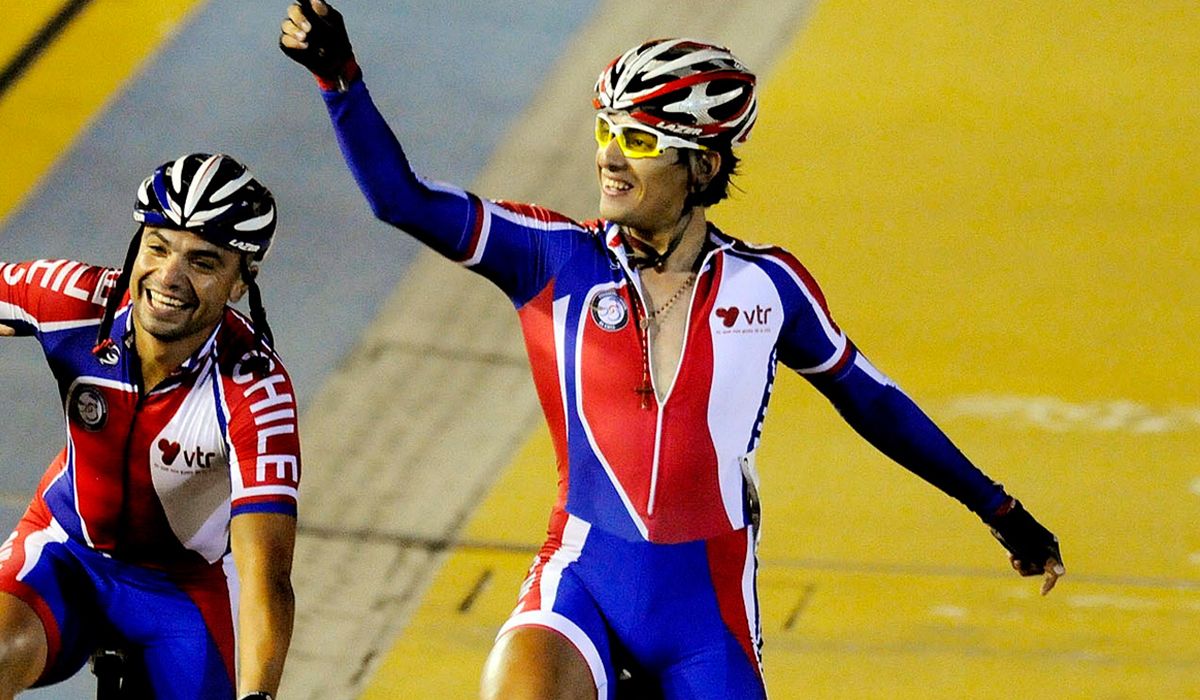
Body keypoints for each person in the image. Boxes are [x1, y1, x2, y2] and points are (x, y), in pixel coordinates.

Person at [279, 3, 1064, 698]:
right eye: (607, 132)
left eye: (640, 141)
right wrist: (339, 79)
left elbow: (874, 402)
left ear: (705, 166)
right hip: (583, 580)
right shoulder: (552, 257)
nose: (609, 157)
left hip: (708, 613)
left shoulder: (770, 287)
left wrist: (999, 509)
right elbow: (400, 199)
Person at [0, 153, 300, 700]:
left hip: (184, 588)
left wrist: (258, 697)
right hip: (65, 549)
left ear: (241, 281)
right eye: (157, 247)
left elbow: (267, 577)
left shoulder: (256, 390)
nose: (168, 277)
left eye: (203, 262)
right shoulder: (74, 301)